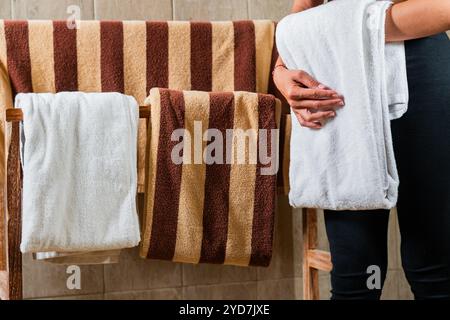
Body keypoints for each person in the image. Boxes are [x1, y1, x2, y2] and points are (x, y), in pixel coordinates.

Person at [273, 0, 450, 300]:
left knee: (434, 270)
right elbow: (306, 5)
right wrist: (281, 70)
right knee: (356, 276)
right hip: (342, 70)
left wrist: (365, 24)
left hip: (420, 67)